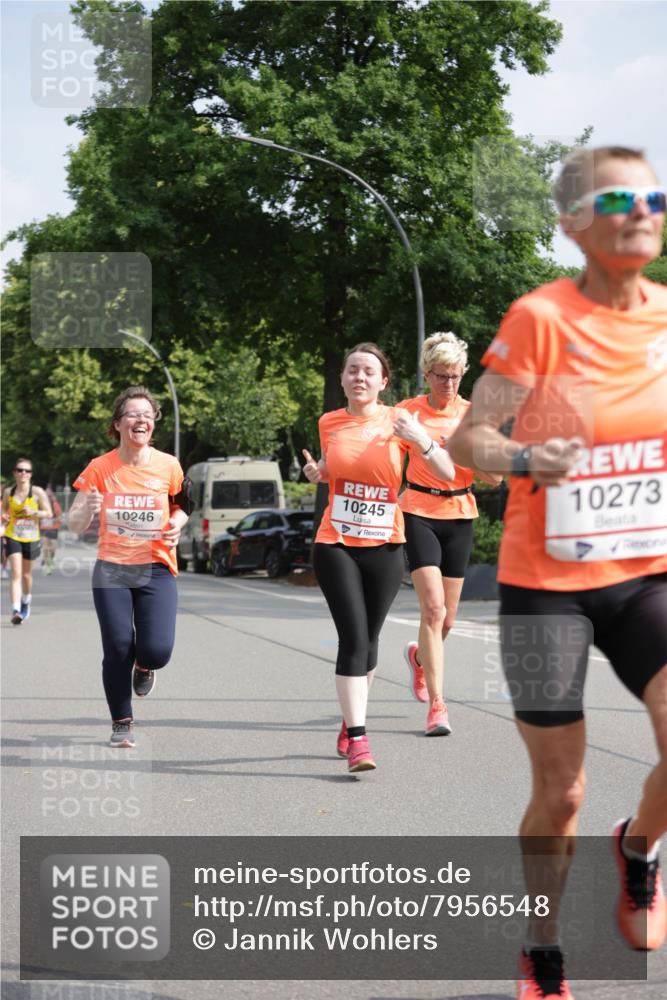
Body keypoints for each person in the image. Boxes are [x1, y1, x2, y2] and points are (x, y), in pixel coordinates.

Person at [448, 146, 667, 1000]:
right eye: (617, 196)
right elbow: (471, 443)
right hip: (546, 584)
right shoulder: (540, 317)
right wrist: (533, 454)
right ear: (571, 221)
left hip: (647, 574)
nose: (641, 208)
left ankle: (639, 848)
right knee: (562, 790)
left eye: (653, 192)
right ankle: (541, 942)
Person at [302, 343, 456, 772]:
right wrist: (320, 474)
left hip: (386, 544)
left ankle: (353, 717)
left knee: (370, 641)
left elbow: (446, 472)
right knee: (353, 638)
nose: (360, 377)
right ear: (343, 379)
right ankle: (358, 739)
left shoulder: (400, 421)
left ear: (383, 382)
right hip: (336, 541)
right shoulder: (329, 422)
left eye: (369, 371)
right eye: (352, 370)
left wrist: (422, 441)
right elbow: (340, 469)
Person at [68, 386, 193, 748]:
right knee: (119, 644)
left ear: (153, 425)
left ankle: (145, 666)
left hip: (156, 565)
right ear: (118, 424)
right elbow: (75, 524)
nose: (141, 420)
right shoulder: (99, 468)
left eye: (147, 415)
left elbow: (184, 503)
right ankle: (122, 720)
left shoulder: (168, 465)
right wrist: (88, 508)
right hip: (113, 567)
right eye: (133, 415)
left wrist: (178, 523)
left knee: (157, 650)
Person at [397, 331, 502, 737]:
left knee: (449, 620)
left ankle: (420, 660)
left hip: (460, 512)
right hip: (418, 510)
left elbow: (494, 478)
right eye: (442, 376)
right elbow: (384, 461)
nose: (449, 384)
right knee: (433, 610)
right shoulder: (407, 412)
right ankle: (438, 707)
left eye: (456, 376)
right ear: (427, 374)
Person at [1, 459, 52, 624]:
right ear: (14, 472)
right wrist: (4, 515)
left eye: (27, 471)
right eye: (20, 470)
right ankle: (16, 609)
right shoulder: (9, 492)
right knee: (15, 573)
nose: (23, 473)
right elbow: (3, 508)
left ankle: (26, 600)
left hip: (31, 537)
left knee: (26, 575)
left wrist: (34, 512)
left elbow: (49, 513)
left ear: (31, 474)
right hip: (13, 535)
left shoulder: (37, 492)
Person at [41, 486, 62, 574]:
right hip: (44, 528)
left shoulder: (55, 505)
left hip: (54, 528)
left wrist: (52, 520)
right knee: (46, 547)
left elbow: (59, 517)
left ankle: (50, 559)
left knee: (53, 548)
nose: (47, 495)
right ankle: (47, 565)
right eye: (46, 494)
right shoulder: (41, 504)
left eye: (49, 494)